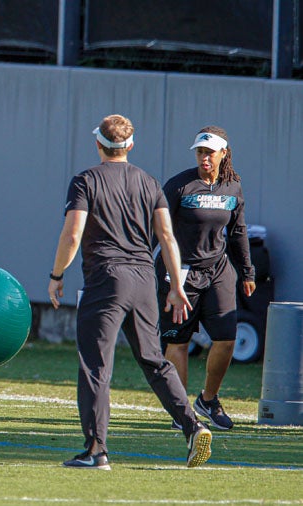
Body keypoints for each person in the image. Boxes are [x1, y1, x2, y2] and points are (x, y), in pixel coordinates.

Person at [48, 114, 212, 470]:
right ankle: (192, 425)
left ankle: (96, 451)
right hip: (143, 279)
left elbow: (72, 234)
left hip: (107, 279)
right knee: (154, 360)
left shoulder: (85, 180)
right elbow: (167, 237)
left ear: (98, 144)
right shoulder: (149, 182)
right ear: (131, 146)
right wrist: (176, 287)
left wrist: (56, 274)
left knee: (95, 365)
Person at [158, 126, 256, 431]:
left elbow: (238, 231)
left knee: (226, 339)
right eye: (200, 152)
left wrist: (247, 272)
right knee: (178, 342)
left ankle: (208, 400)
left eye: (210, 153)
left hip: (218, 272)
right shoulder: (178, 186)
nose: (204, 158)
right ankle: (182, 413)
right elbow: (157, 231)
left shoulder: (233, 187)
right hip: (180, 272)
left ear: (223, 153)